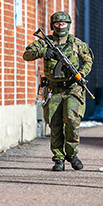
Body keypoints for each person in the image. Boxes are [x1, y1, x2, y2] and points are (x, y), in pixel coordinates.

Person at [23, 11, 94, 171]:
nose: (60, 26)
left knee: (71, 120)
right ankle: (58, 159)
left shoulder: (77, 43)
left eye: (63, 24)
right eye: (57, 24)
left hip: (72, 88)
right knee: (54, 125)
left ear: (68, 25)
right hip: (53, 89)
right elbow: (26, 55)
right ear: (52, 25)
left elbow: (88, 61)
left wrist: (80, 74)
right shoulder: (45, 42)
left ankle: (72, 154)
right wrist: (43, 52)